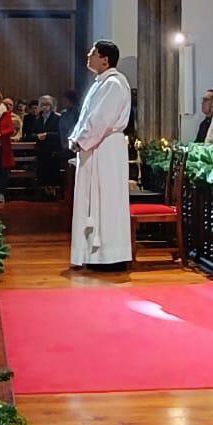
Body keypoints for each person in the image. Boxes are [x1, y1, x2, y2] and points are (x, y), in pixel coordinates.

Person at [68, 41, 132, 268]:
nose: (88, 55)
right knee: (94, 199)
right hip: (96, 146)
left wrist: (80, 140)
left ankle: (110, 255)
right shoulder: (100, 84)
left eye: (93, 52)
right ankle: (94, 254)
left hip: (106, 149)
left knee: (107, 199)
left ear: (105, 60)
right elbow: (86, 117)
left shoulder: (114, 84)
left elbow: (101, 120)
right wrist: (75, 138)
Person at [23, 94, 65, 197]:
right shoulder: (37, 119)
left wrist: (47, 135)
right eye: (43, 104)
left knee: (53, 174)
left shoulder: (58, 118)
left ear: (51, 105)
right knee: (42, 174)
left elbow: (61, 134)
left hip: (53, 150)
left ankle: (53, 193)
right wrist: (37, 136)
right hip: (41, 151)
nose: (45, 107)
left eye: (47, 104)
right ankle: (44, 193)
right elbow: (29, 134)